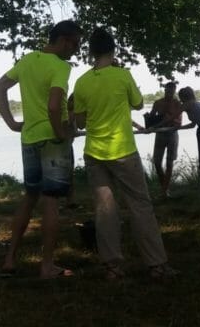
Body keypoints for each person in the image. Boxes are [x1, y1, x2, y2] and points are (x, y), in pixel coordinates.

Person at [71, 27, 177, 281]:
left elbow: (81, 122)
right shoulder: (122, 75)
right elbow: (138, 104)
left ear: (91, 52)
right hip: (123, 151)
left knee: (105, 210)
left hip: (94, 153)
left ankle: (113, 267)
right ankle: (156, 265)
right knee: (140, 205)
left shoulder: (81, 82)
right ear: (113, 50)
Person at [0, 20, 82, 280]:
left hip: (29, 139)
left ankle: (9, 260)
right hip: (52, 141)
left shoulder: (27, 60)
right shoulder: (61, 66)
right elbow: (54, 106)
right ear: (63, 40)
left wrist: (12, 123)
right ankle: (47, 266)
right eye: (75, 44)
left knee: (30, 197)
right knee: (51, 200)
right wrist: (61, 133)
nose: (76, 50)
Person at [147, 82, 184, 198]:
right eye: (168, 91)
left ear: (174, 91)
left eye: (172, 91)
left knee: (169, 162)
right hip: (160, 134)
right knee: (157, 162)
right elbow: (152, 118)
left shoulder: (177, 103)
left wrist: (170, 120)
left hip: (172, 134)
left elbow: (179, 122)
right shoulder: (158, 103)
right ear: (165, 90)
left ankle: (164, 190)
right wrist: (148, 120)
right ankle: (165, 187)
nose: (169, 93)